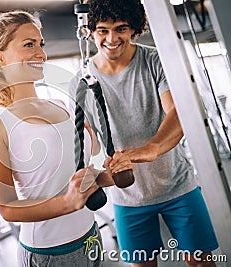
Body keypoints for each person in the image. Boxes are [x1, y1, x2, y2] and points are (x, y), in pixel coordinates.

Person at [0, 10, 134, 267]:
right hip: (49, 253)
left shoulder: (60, 105)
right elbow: (7, 208)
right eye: (29, 45)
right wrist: (66, 204)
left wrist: (106, 177)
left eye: (41, 44)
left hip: (91, 236)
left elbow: (73, 173)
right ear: (0, 58)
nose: (41, 53)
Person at [69, 0, 219, 266]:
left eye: (121, 28)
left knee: (201, 262)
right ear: (90, 32)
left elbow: (178, 113)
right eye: (102, 30)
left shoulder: (154, 61)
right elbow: (88, 138)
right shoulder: (80, 80)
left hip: (177, 186)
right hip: (127, 197)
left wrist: (152, 148)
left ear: (134, 29)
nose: (111, 38)